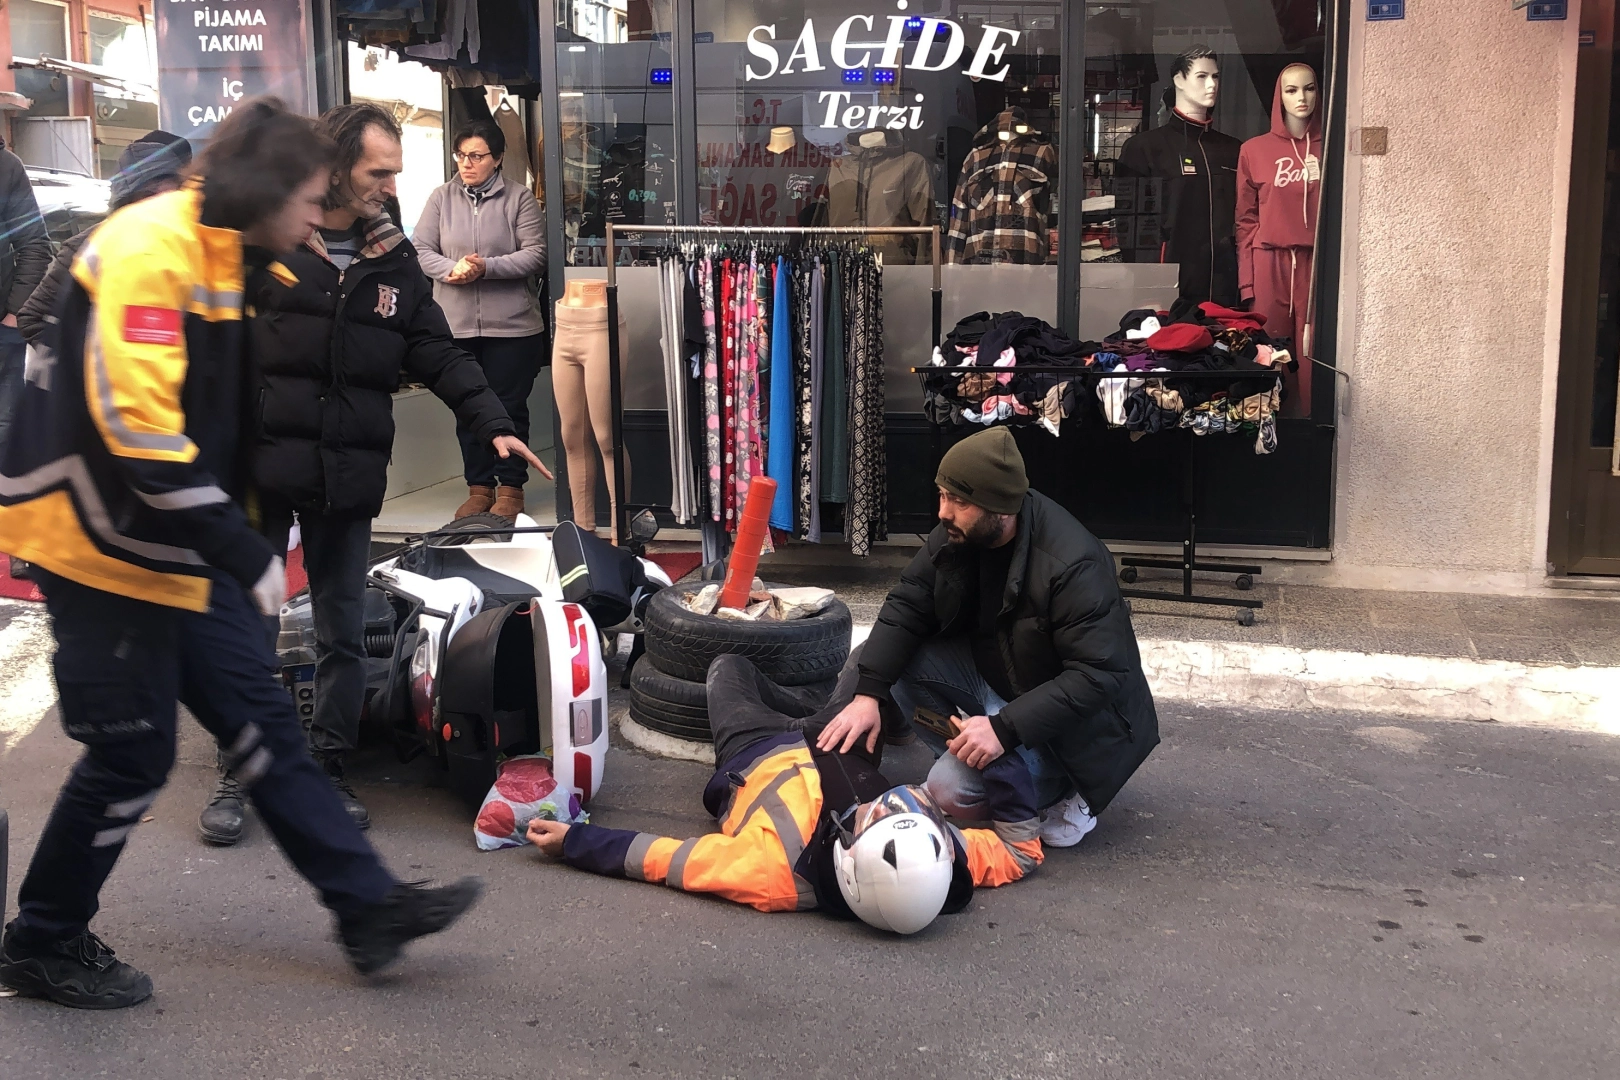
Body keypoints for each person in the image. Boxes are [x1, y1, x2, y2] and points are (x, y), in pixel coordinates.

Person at [0, 98, 481, 1011]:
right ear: (262, 192)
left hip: (173, 541)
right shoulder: (149, 250)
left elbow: (228, 415)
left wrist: (241, 534)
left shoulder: (231, 251)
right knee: (132, 755)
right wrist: (245, 547)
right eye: (306, 200)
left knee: (265, 726)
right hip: (95, 546)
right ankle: (43, 939)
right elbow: (139, 431)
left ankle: (368, 909)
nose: (316, 218)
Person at [198, 102, 552, 844]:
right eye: (379, 171)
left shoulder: (392, 256)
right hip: (261, 468)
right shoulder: (263, 242)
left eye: (395, 172)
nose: (392, 186)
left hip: (349, 468)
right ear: (333, 166)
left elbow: (437, 348)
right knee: (247, 624)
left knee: (341, 629)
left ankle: (327, 764)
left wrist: (493, 423)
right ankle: (241, 768)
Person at [817, 426, 1160, 848]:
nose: (943, 512)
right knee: (884, 658)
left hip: (1077, 728)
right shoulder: (960, 531)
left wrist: (1004, 729)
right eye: (942, 495)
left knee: (950, 790)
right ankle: (976, 761)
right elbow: (908, 603)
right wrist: (869, 694)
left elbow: (1098, 676)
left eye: (958, 501)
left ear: (1001, 509)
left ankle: (1073, 790)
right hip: (1004, 676)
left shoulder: (1073, 565)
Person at [527, 654, 1044, 933]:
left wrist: (571, 841)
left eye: (873, 815)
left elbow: (658, 857)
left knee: (728, 666)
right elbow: (1022, 851)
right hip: (839, 737)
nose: (889, 802)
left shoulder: (772, 875)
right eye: (901, 808)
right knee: (871, 662)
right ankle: (822, 704)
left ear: (849, 863)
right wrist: (995, 753)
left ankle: (800, 704)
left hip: (753, 747)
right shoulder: (929, 860)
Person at [414, 118, 548, 521]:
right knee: (467, 410)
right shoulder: (441, 197)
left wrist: (486, 267)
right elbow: (420, 249)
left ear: (498, 158)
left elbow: (536, 254)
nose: (466, 163)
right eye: (461, 155)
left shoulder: (519, 198)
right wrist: (451, 269)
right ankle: (479, 488)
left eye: (476, 156)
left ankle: (511, 488)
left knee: (509, 408)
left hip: (513, 328)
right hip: (455, 326)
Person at [18, 131, 193, 349]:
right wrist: (86, 357)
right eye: (150, 197)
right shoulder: (86, 248)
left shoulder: (193, 245)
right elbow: (32, 319)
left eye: (172, 197)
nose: (162, 208)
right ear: (127, 201)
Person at [0, 133, 53, 449]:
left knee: (6, 436)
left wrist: (13, 315)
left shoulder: (5, 167)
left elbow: (35, 244)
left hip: (2, 334)